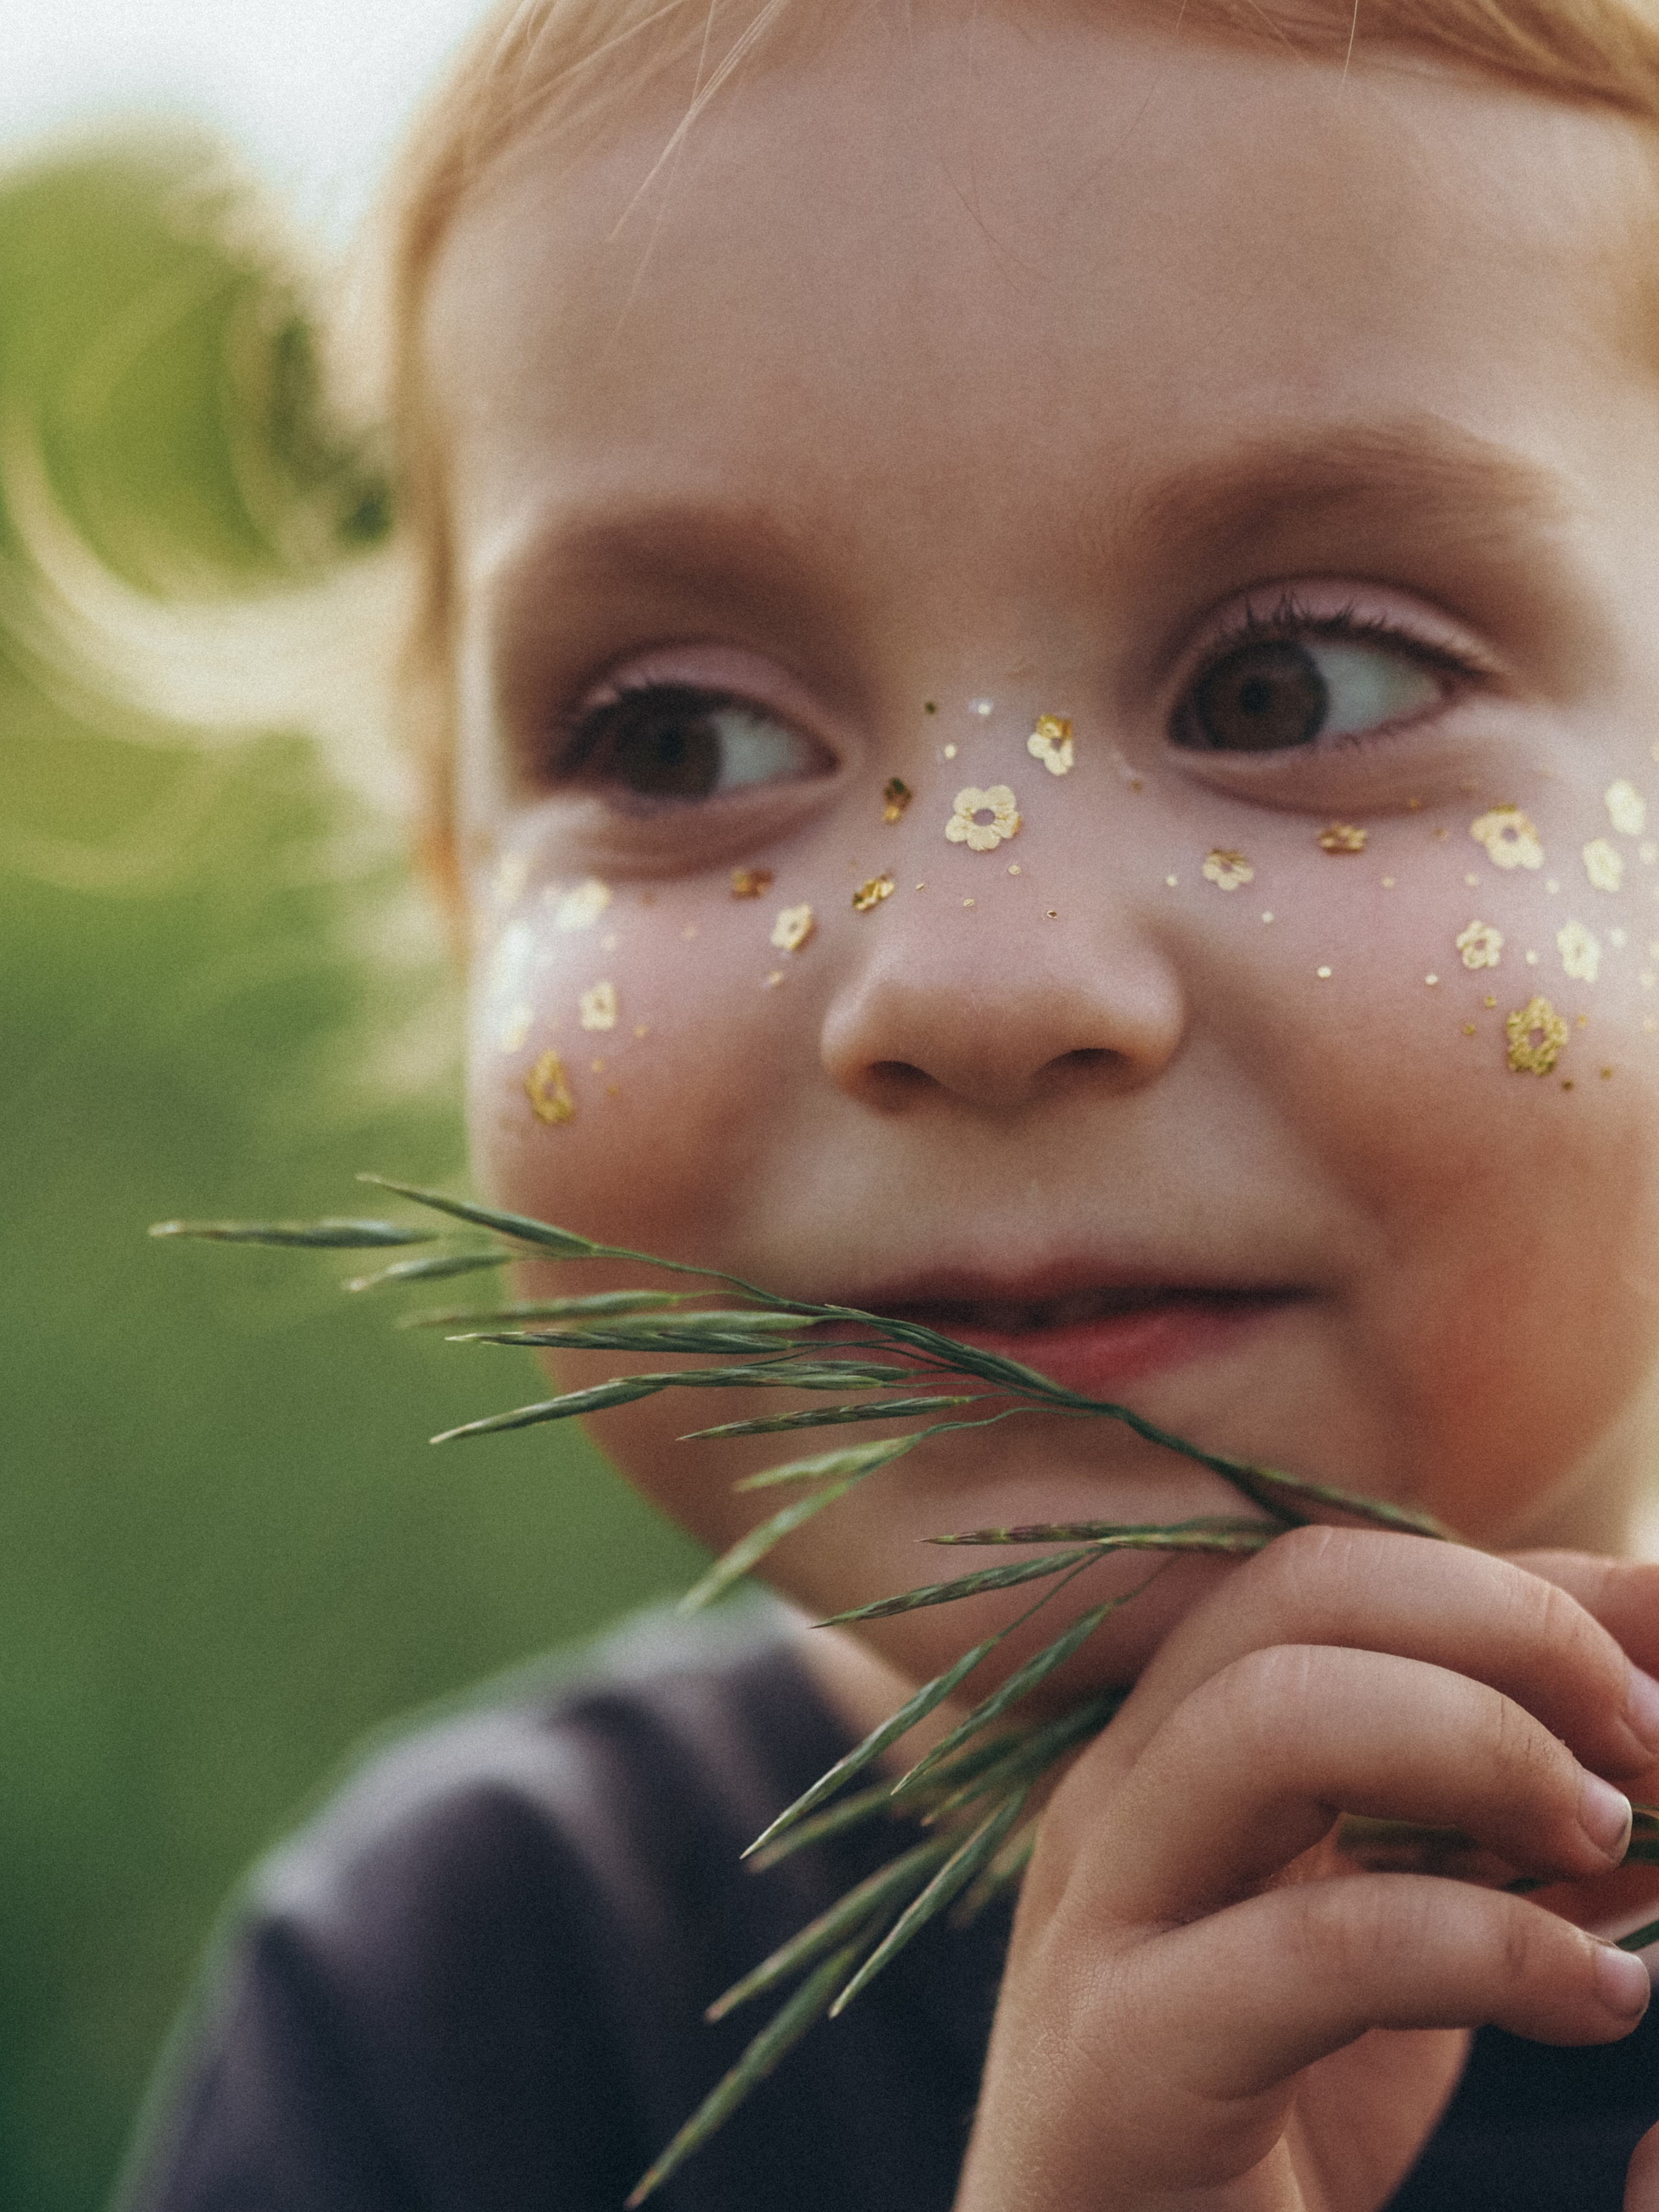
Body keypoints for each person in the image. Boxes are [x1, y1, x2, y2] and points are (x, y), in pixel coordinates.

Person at [115, 1, 1659, 2205]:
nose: (976, 976)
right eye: (678, 748)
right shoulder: (467, 2011)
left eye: (1290, 685)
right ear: (460, 890)